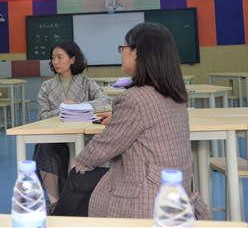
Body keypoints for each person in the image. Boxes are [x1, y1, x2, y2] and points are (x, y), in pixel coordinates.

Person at [53, 22, 210, 219]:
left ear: (137, 53)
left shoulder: (134, 98)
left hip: (148, 194)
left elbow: (105, 146)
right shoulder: (175, 95)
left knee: (78, 175)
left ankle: (54, 221)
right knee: (83, 190)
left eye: (123, 48)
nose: (122, 54)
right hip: (178, 191)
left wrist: (80, 161)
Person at [32, 40, 112, 212]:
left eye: (60, 57)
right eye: (53, 57)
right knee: (44, 147)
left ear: (73, 59)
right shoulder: (46, 86)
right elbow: (42, 117)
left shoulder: (86, 83)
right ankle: (55, 204)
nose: (55, 61)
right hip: (56, 138)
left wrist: (79, 106)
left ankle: (74, 201)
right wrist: (64, 110)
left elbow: (107, 102)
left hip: (84, 137)